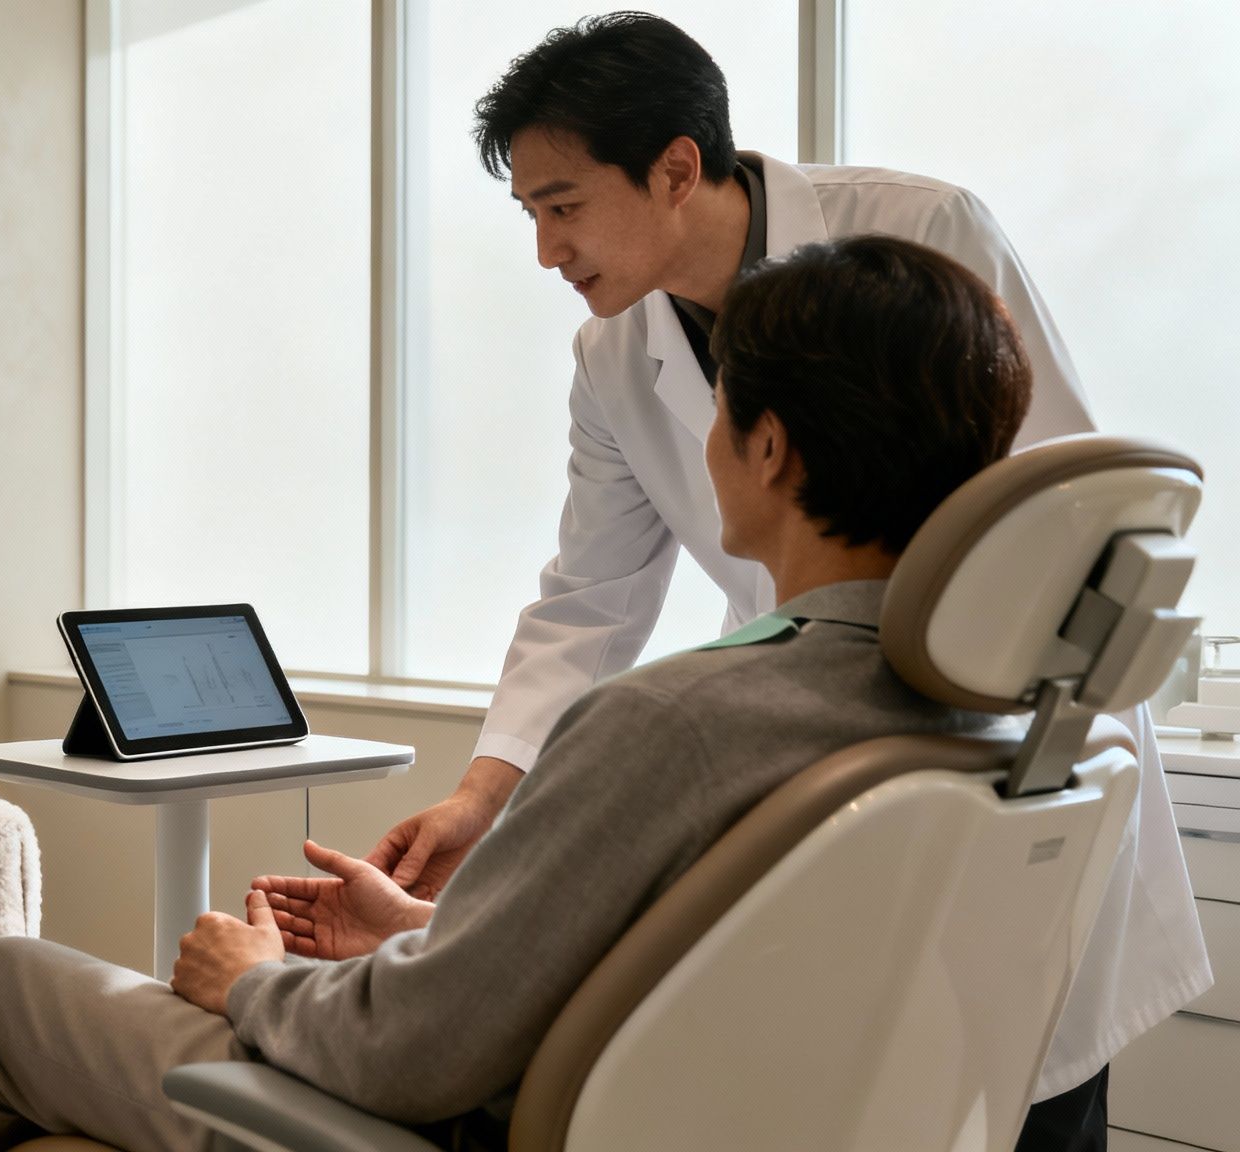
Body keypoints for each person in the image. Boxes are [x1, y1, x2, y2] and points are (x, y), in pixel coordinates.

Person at [0, 234, 1044, 1152]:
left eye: (720, 411)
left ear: (764, 445)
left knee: (2, 986)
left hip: (429, 1116)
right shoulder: (981, 720)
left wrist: (249, 979)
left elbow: (407, 1056)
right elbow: (679, 979)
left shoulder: (683, 720)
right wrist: (423, 939)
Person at [360, 15, 1207, 1148]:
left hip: (982, 738)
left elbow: (1054, 516)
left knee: (1022, 1085)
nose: (544, 251)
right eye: (528, 215)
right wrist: (482, 794)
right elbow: (590, 593)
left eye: (561, 206)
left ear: (672, 168)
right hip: (825, 752)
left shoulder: (914, 234)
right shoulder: (611, 354)